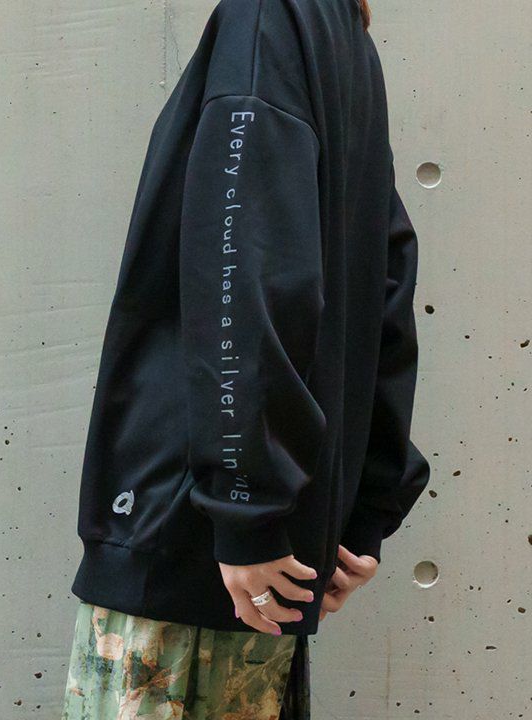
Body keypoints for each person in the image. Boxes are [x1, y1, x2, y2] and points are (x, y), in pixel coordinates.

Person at [61, 0, 431, 717]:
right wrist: (361, 512)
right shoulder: (343, 39)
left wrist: (244, 506)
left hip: (190, 551)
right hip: (258, 563)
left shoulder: (267, 19)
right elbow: (387, 287)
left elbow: (247, 268)